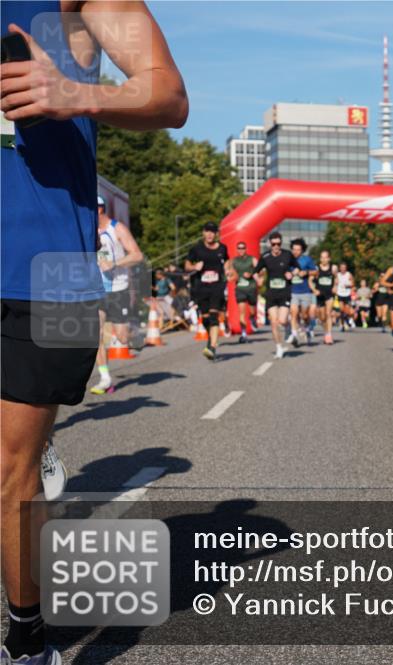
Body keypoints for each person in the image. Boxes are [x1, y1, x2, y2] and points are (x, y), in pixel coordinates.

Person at [1, 3, 187, 663]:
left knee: (7, 470)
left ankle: (28, 641)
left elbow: (167, 95)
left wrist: (74, 94)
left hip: (37, 271)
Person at [89, 196, 145, 394]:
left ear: (99, 209)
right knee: (96, 334)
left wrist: (114, 264)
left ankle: (134, 331)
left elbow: (137, 255)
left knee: (122, 338)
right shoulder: (89, 230)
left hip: (118, 288)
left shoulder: (117, 228)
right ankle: (105, 378)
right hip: (97, 290)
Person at [185, 222, 230, 360]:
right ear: (203, 233)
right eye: (207, 231)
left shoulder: (222, 248)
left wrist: (227, 270)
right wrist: (194, 267)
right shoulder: (196, 249)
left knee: (213, 316)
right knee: (205, 318)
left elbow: (227, 261)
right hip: (201, 287)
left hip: (217, 286)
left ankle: (212, 347)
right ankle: (212, 337)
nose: (210, 234)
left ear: (216, 234)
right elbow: (187, 265)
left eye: (212, 231)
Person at [254, 232, 298, 358]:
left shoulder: (287, 255)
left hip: (284, 292)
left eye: (278, 244)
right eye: (274, 244)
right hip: (271, 294)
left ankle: (288, 330)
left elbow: (297, 268)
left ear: (281, 243)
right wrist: (258, 280)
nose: (276, 246)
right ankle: (279, 347)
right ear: (270, 244)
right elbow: (255, 271)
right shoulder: (265, 256)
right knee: (274, 322)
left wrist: (292, 274)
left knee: (282, 320)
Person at [287, 238, 317, 347]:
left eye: (298, 250)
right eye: (294, 249)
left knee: (304, 315)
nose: (295, 252)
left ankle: (307, 329)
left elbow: (315, 272)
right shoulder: (288, 259)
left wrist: (306, 272)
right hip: (293, 291)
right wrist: (289, 274)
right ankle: (295, 336)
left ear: (302, 250)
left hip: (305, 291)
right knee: (294, 313)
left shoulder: (307, 260)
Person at [231, 241, 257, 344]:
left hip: (251, 288)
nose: (241, 250)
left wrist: (251, 274)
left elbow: (260, 269)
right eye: (239, 248)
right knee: (241, 312)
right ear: (237, 249)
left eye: (243, 248)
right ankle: (244, 334)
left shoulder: (252, 259)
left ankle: (252, 318)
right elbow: (231, 272)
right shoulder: (234, 261)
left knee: (252, 312)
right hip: (240, 289)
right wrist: (232, 276)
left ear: (246, 249)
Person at [315, 249, 336, 345]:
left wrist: (335, 286)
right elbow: (311, 280)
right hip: (320, 295)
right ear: (320, 258)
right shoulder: (316, 268)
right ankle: (326, 332)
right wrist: (314, 290)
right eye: (322, 257)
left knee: (328, 314)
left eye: (325, 257)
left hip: (329, 294)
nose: (323, 259)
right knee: (322, 317)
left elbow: (336, 278)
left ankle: (329, 335)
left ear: (329, 258)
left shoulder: (333, 268)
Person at [336, 262, 355, 332]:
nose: (343, 269)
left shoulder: (349, 274)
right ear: (340, 268)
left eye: (344, 267)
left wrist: (348, 285)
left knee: (346, 311)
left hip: (347, 294)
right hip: (340, 294)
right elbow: (335, 283)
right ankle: (342, 325)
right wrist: (335, 286)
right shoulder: (337, 275)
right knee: (341, 310)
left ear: (346, 268)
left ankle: (346, 320)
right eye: (341, 267)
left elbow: (353, 283)